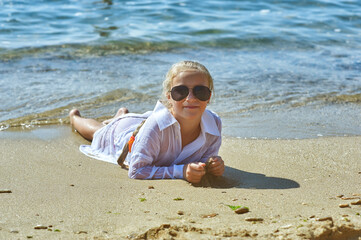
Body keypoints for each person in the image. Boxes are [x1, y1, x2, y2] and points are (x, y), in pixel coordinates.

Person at [69, 61, 224, 184]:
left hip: (142, 126)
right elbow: (136, 171)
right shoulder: (157, 126)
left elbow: (205, 160)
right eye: (180, 91)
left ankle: (121, 114)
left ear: (209, 96)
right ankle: (75, 117)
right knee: (97, 132)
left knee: (119, 122)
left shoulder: (214, 124)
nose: (190, 98)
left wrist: (213, 165)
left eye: (200, 91)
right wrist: (181, 172)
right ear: (169, 97)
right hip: (123, 135)